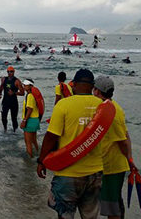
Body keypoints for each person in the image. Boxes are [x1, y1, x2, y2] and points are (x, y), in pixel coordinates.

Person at [36, 69, 104, 219]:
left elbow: (51, 137)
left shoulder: (63, 105)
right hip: (96, 173)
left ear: (75, 84)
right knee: (91, 216)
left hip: (68, 172)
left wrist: (41, 161)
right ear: (92, 86)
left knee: (65, 215)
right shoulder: (102, 106)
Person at [93, 76, 136, 219]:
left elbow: (123, 141)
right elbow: (127, 135)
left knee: (112, 208)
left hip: (113, 166)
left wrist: (129, 160)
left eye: (94, 89)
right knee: (114, 202)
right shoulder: (111, 107)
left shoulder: (113, 112)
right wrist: (130, 158)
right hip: (108, 165)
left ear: (97, 91)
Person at [0, 66, 24, 132]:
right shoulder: (4, 79)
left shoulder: (17, 81)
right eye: (8, 72)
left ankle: (15, 133)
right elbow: (1, 86)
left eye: (11, 71)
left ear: (14, 72)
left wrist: (14, 93)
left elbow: (22, 93)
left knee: (14, 119)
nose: (9, 73)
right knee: (3, 118)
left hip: (13, 102)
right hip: (5, 101)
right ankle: (5, 130)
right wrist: (0, 93)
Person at [21, 79, 39, 157]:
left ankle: (30, 161)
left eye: (25, 85)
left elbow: (30, 109)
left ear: (30, 86)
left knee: (28, 143)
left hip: (30, 120)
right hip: (35, 120)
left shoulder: (30, 96)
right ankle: (38, 155)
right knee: (34, 141)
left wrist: (24, 120)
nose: (24, 86)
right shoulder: (32, 95)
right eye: (24, 85)